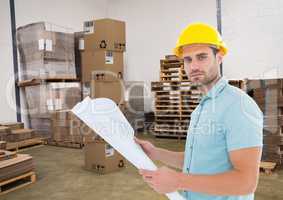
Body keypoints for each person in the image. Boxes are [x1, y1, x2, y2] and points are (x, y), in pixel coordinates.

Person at [135, 23, 263, 200]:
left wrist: (178, 181)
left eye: (201, 57)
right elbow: (197, 161)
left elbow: (246, 182)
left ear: (219, 57)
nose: (193, 66)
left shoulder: (239, 106)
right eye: (188, 60)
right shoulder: (202, 107)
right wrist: (154, 152)